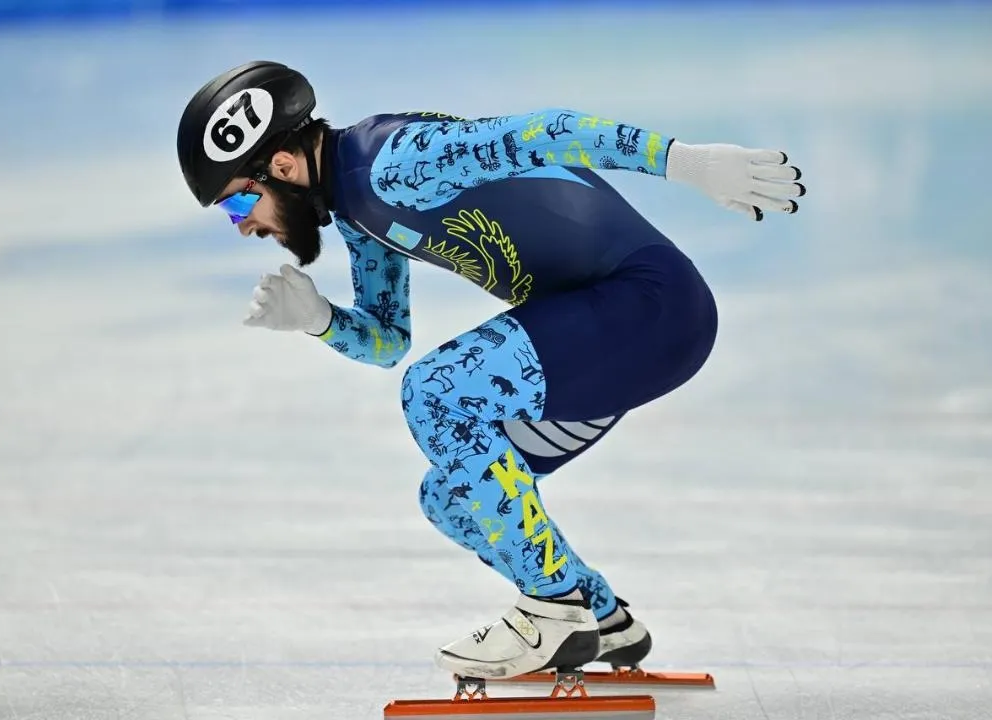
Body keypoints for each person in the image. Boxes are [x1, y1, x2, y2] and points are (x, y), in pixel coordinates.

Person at [175, 60, 804, 681]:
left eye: (238, 204)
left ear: (282, 166)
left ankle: (553, 610)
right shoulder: (354, 210)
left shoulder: (393, 163)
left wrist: (686, 162)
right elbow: (389, 340)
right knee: (452, 499)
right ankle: (601, 616)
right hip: (607, 335)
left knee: (436, 391)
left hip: (649, 307)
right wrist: (320, 320)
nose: (244, 227)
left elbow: (550, 130)